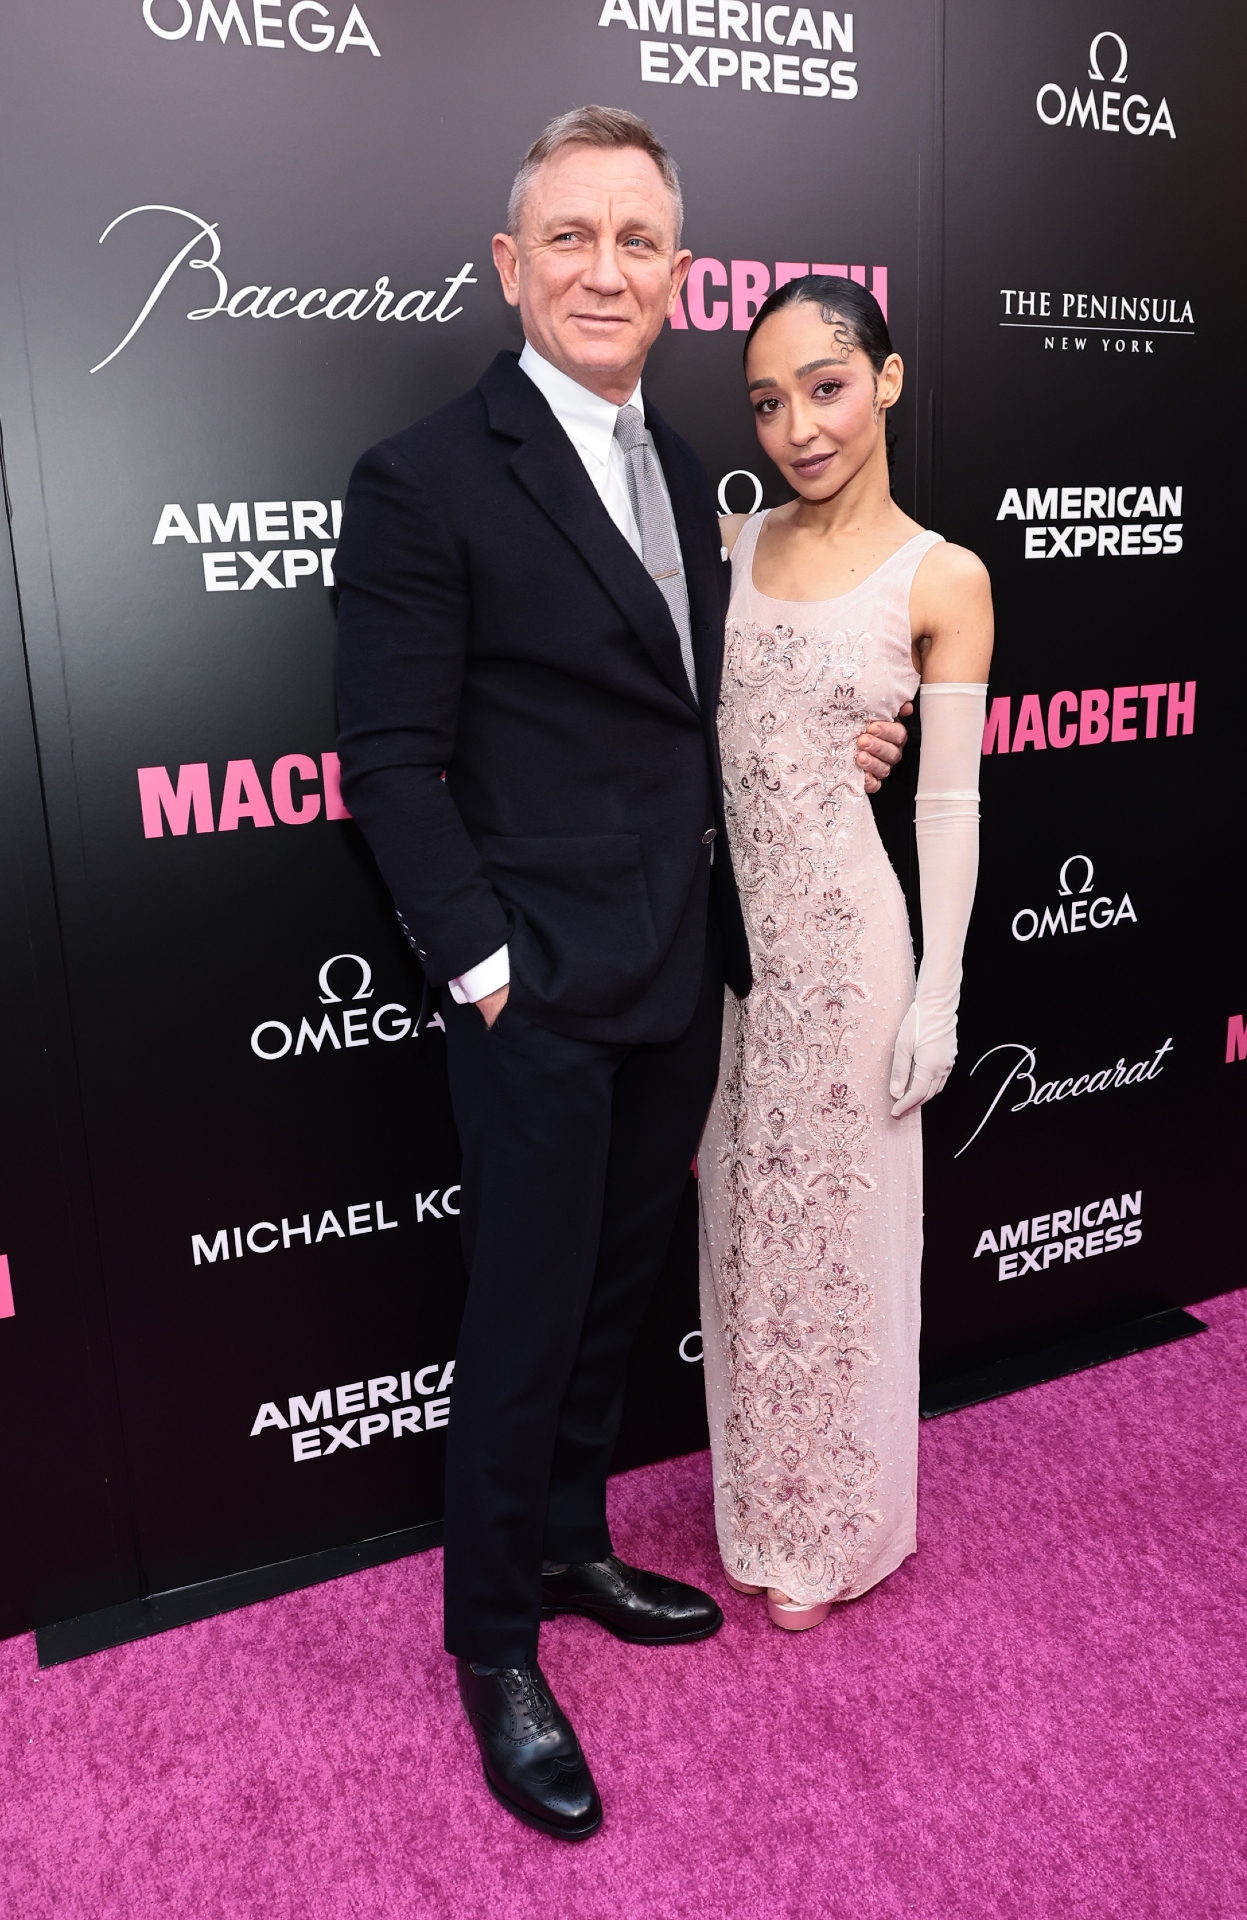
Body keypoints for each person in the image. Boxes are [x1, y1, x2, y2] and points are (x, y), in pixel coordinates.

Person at [334, 111, 907, 1840]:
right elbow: (385, 763)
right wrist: (490, 969)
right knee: (517, 1323)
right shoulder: (426, 474)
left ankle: (574, 1542)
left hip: (679, 980)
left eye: (638, 240)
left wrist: (839, 748)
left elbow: (696, 716)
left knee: (606, 1298)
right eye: (570, 237)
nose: (606, 268)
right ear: (511, 268)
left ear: (679, 271)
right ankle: (494, 1645)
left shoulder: (684, 467)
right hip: (541, 995)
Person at [698, 274, 992, 1633]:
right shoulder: (736, 542)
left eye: (825, 386)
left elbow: (946, 800)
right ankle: (759, 1503)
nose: (797, 426)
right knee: (755, 1235)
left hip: (855, 953)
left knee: (846, 1247)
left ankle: (841, 1529)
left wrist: (938, 995)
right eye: (769, 400)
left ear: (884, 378)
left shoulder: (944, 577)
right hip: (741, 967)